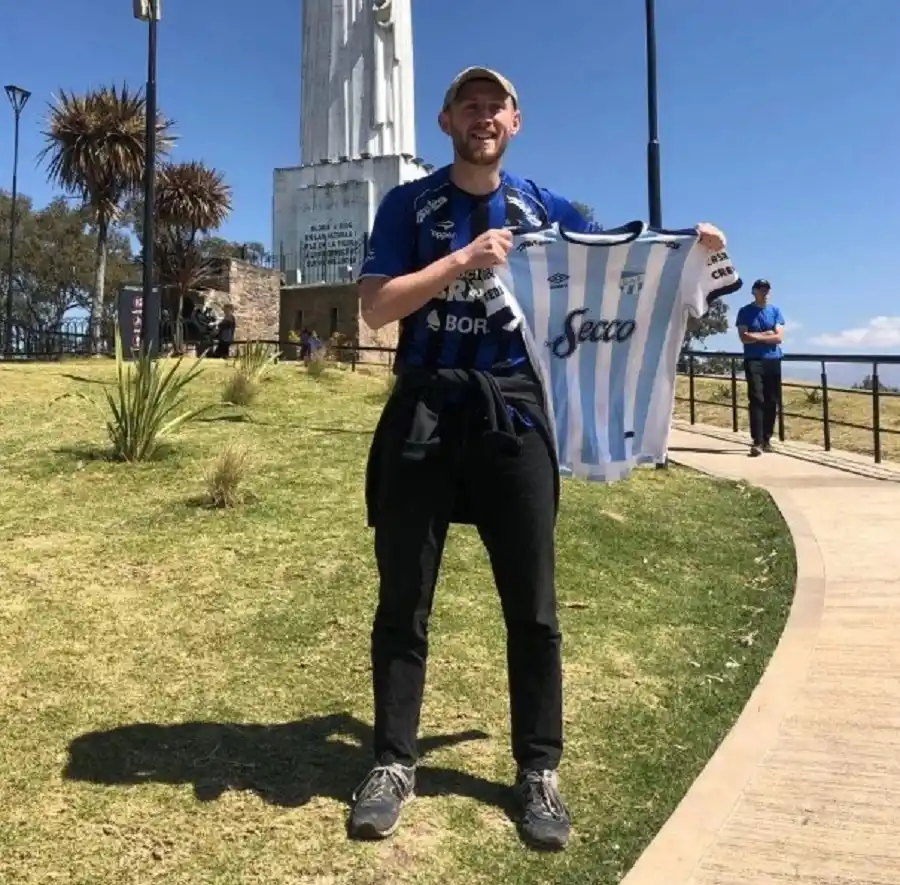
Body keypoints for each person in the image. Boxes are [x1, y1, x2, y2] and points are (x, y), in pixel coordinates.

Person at [351, 65, 727, 851]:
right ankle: (391, 762)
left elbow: (617, 263)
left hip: (514, 412)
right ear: (445, 118)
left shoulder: (541, 207)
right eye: (470, 105)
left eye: (497, 106)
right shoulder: (406, 205)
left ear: (515, 122)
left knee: (534, 604)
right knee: (403, 598)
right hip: (424, 407)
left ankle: (538, 771)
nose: (483, 116)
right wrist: (461, 261)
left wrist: (691, 251)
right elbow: (377, 307)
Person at [736, 279, 785, 456]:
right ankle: (756, 441)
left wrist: (756, 336)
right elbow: (744, 337)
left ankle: (767, 439)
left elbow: (779, 338)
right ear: (754, 291)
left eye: (767, 289)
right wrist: (767, 334)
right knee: (757, 398)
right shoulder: (745, 312)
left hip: (773, 359)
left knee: (772, 400)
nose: (765, 292)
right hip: (753, 359)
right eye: (761, 289)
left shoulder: (775, 311)